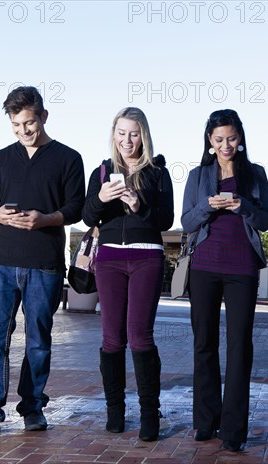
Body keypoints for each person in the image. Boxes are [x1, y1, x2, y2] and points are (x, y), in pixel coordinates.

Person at [0, 86, 86, 443]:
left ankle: (32, 408)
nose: (23, 131)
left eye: (29, 123)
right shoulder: (0, 158)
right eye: (16, 125)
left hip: (44, 263)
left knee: (38, 342)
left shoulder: (68, 158)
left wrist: (44, 219)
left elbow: (76, 207)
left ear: (43, 116)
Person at [181, 109, 268, 452]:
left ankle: (233, 429)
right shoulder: (198, 174)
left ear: (241, 138)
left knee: (239, 347)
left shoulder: (256, 174)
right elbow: (187, 221)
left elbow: (264, 220)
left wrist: (241, 204)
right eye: (219, 139)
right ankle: (206, 421)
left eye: (231, 138)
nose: (226, 145)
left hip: (242, 268)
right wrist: (208, 206)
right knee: (204, 344)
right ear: (209, 141)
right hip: (204, 265)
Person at [82, 107, 174, 441]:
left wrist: (139, 205)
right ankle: (115, 412)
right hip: (108, 259)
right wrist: (101, 197)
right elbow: (87, 216)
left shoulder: (157, 173)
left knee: (140, 336)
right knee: (111, 338)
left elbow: (165, 220)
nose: (127, 140)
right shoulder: (102, 172)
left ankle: (150, 414)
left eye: (133, 133)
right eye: (121, 133)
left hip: (147, 258)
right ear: (114, 134)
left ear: (143, 135)